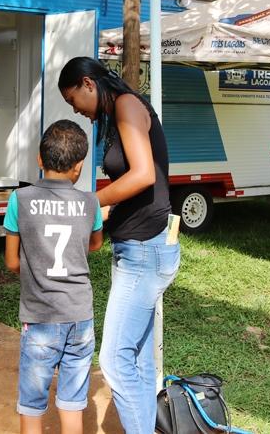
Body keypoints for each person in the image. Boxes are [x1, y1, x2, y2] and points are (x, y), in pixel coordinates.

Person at [58, 57, 180, 434]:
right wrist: (97, 215)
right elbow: (133, 185)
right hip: (140, 246)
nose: (76, 110)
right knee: (138, 361)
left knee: (113, 360)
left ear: (88, 84)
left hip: (146, 249)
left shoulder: (127, 105)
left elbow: (143, 175)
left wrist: (91, 202)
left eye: (73, 99)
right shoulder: (118, 112)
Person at [4, 120, 104, 434]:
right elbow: (95, 244)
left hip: (40, 317)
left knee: (31, 404)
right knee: (72, 402)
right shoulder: (91, 202)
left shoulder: (19, 200)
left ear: (39, 158)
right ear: (79, 167)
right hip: (79, 316)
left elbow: (11, 261)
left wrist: (34, 270)